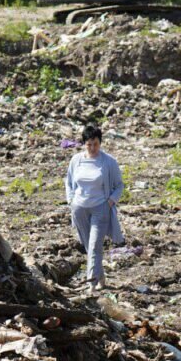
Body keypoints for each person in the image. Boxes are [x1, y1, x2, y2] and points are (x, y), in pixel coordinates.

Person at [65, 125, 124, 293]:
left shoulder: (108, 162)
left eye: (95, 144)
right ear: (84, 144)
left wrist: (111, 201)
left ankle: (91, 283)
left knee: (95, 245)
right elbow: (69, 182)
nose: (92, 148)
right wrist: (71, 200)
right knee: (88, 245)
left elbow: (119, 185)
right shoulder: (76, 160)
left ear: (100, 143)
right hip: (80, 209)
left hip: (100, 208)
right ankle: (100, 276)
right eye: (89, 144)